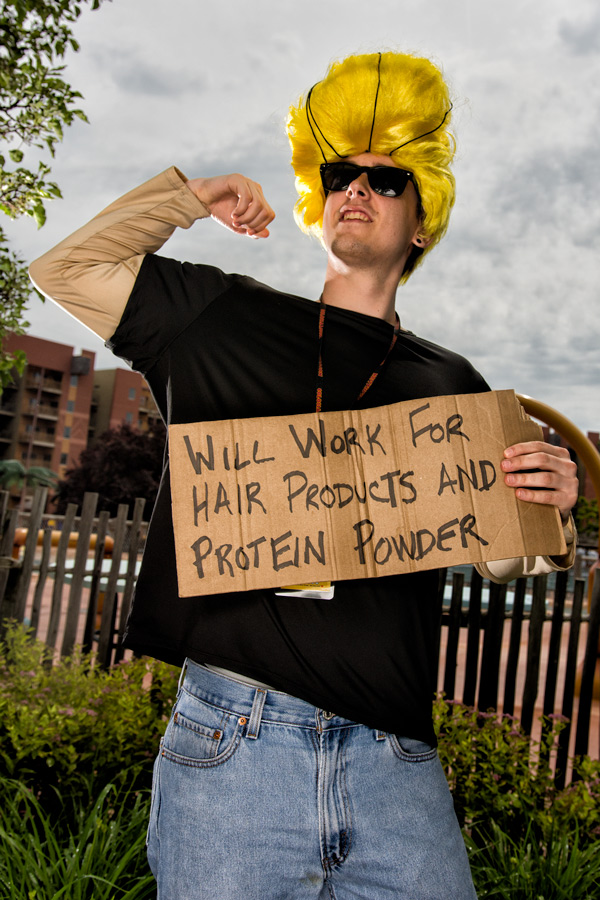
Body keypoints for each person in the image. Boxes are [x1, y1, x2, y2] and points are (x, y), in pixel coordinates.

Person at [30, 51, 577, 900]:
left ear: (423, 221)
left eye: (383, 180)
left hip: (395, 760)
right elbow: (64, 271)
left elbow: (507, 556)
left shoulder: (451, 384)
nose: (355, 189)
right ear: (317, 198)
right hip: (233, 747)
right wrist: (191, 196)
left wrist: (549, 503)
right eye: (339, 174)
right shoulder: (220, 319)